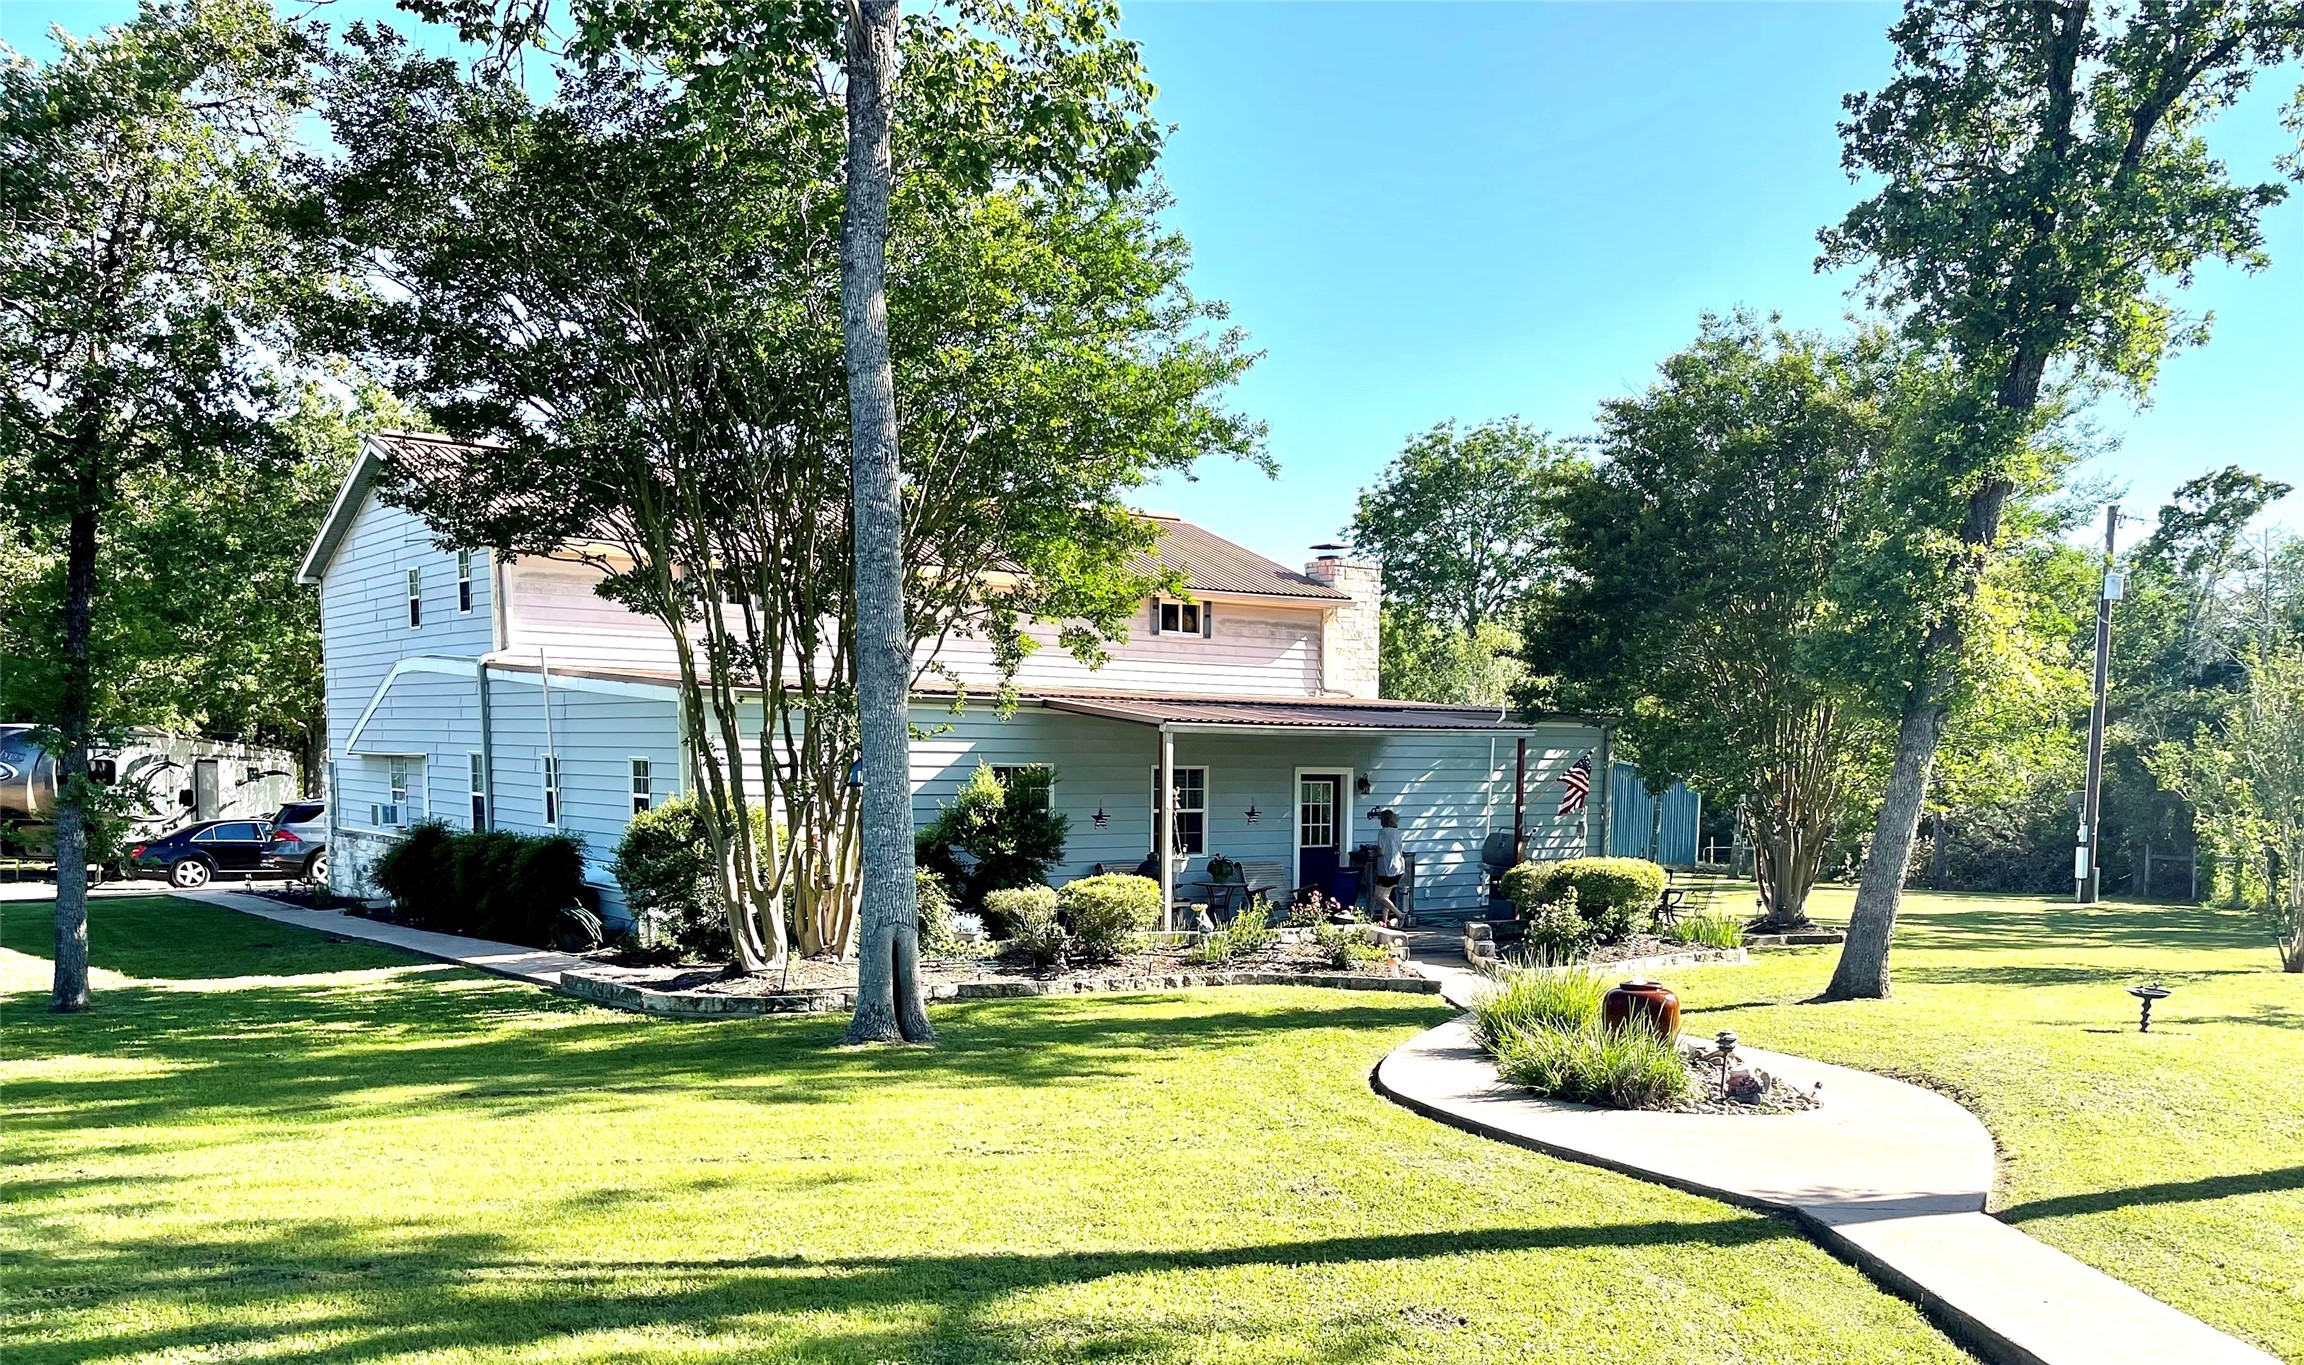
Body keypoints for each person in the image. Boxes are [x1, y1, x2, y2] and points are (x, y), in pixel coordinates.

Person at [1371, 808, 1406, 926]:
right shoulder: (1397, 832)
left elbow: (1381, 852)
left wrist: (1373, 854)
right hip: (1399, 868)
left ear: (1383, 820)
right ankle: (1384, 921)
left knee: (1378, 895)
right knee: (1386, 896)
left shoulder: (1383, 832)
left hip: (1387, 869)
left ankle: (1400, 915)